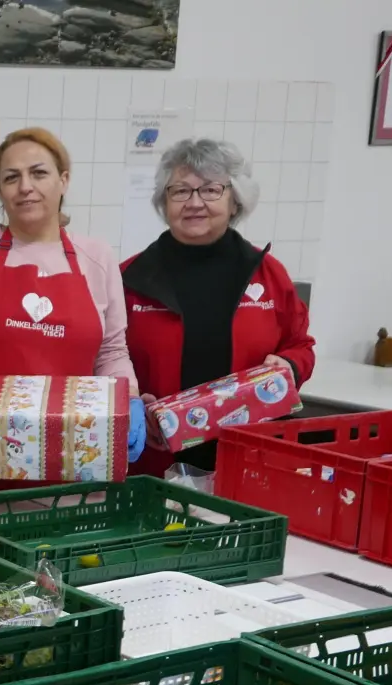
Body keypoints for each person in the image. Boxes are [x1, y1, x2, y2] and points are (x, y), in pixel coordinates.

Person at [0, 127, 144, 495]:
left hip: (75, 469)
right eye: (11, 177)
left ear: (63, 180)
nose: (25, 186)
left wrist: (129, 401)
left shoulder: (96, 257)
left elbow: (112, 352)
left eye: (38, 173)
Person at [123, 138, 316, 476]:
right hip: (154, 462)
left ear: (235, 200)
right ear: (164, 201)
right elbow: (103, 358)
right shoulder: (129, 277)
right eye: (180, 191)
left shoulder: (268, 274)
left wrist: (289, 365)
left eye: (211, 190)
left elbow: (300, 345)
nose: (194, 203)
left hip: (248, 460)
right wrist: (131, 404)